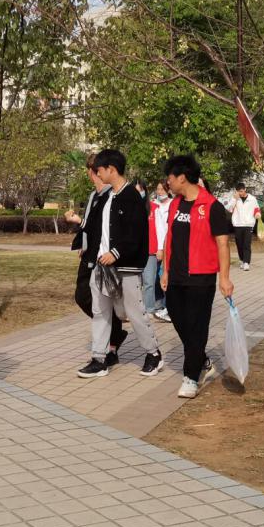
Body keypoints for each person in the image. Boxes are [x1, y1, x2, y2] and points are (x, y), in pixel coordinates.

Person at [76, 150, 163, 379]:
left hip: (126, 267)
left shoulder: (131, 197)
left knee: (134, 312)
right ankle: (99, 359)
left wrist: (115, 253)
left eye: (99, 170)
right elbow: (96, 228)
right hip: (101, 266)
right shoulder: (107, 197)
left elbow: (136, 233)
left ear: (111, 170)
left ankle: (153, 354)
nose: (97, 174)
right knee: (100, 312)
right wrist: (85, 237)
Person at [160, 155, 234, 399]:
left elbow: (223, 244)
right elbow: (169, 237)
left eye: (170, 177)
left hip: (201, 277)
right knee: (179, 319)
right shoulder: (175, 204)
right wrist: (166, 270)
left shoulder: (212, 206)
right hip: (176, 275)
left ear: (182, 177)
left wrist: (224, 278)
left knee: (197, 326)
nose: (168, 182)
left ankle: (191, 377)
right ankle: (201, 361)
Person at [66, 155, 129, 361]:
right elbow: (90, 226)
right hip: (89, 255)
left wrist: (80, 222)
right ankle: (114, 335)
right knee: (84, 297)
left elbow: (102, 227)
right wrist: (83, 243)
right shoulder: (94, 195)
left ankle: (110, 348)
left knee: (104, 302)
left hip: (104, 257)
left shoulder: (111, 195)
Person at [144, 181, 171, 321]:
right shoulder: (153, 205)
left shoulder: (172, 204)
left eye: (162, 189)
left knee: (163, 276)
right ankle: (157, 304)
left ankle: (167, 306)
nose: (160, 192)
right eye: (158, 189)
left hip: (166, 246)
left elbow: (162, 229)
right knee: (153, 279)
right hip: (156, 246)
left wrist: (161, 247)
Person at [223, 184, 261, 271]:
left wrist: (257, 214)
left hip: (248, 224)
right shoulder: (234, 198)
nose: (240, 193)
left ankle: (246, 262)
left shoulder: (252, 199)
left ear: (245, 189)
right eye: (238, 191)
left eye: (241, 191)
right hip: (238, 224)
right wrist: (234, 199)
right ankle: (242, 260)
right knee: (239, 244)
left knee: (247, 244)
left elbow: (256, 208)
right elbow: (229, 209)